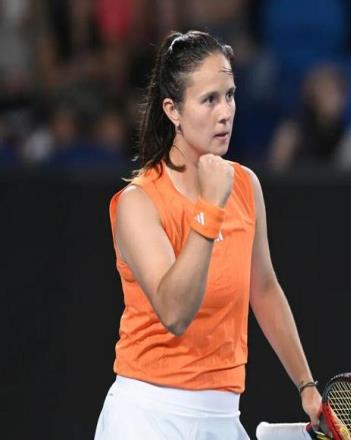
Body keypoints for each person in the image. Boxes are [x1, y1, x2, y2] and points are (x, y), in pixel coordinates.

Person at [94, 30, 327, 440]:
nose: (225, 112)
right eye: (209, 100)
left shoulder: (245, 186)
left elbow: (263, 288)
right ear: (173, 110)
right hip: (146, 418)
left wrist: (306, 386)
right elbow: (175, 312)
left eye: (230, 95)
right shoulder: (138, 203)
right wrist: (210, 209)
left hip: (221, 417)